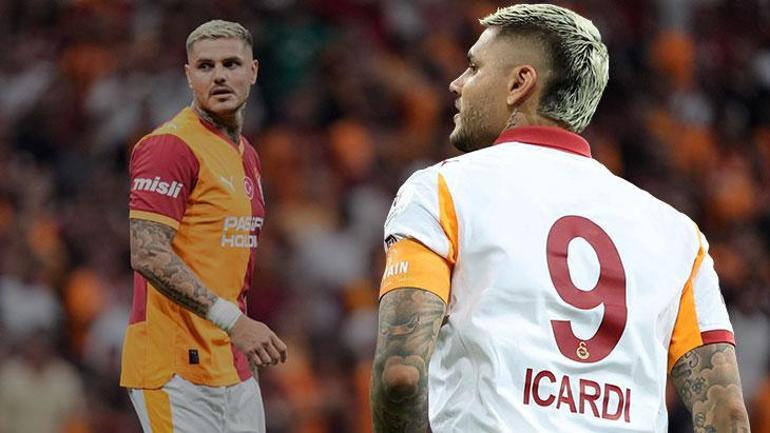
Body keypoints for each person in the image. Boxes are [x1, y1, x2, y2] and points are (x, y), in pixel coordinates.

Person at [370, 4, 751, 433]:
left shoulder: (442, 190)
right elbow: (728, 416)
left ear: (519, 83)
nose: (457, 83)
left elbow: (400, 375)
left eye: (474, 67)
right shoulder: (679, 236)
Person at [121, 20, 287, 433]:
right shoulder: (169, 147)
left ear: (253, 71)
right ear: (188, 76)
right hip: (174, 367)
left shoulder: (247, 155)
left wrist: (239, 337)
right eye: (205, 66)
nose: (219, 76)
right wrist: (236, 323)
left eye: (231, 64)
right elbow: (148, 253)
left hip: (232, 364)